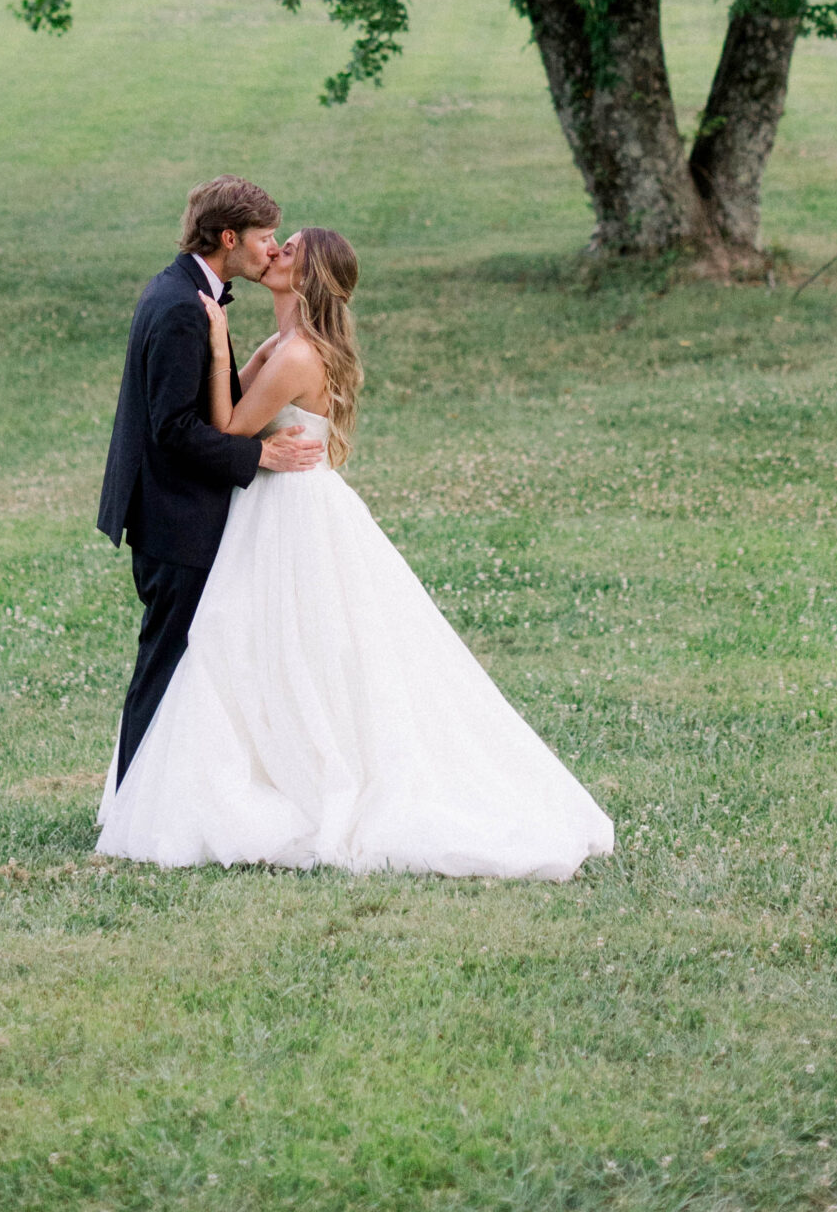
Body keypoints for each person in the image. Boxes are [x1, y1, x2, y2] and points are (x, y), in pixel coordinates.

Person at [98, 225, 614, 879]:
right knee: (261, 644)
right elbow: (230, 418)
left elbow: (228, 425)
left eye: (289, 251)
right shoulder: (279, 344)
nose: (275, 251)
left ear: (308, 279)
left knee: (290, 645)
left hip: (290, 513)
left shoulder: (295, 356)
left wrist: (218, 356)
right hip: (270, 505)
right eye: (275, 242)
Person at [97, 176, 324, 785]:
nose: (272, 249)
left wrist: (240, 366)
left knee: (184, 665)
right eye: (265, 237)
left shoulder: (188, 294)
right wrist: (258, 459)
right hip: (174, 519)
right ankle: (134, 801)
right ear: (230, 238)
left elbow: (198, 411)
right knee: (167, 664)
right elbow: (174, 428)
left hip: (180, 512)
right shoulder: (179, 308)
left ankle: (156, 796)